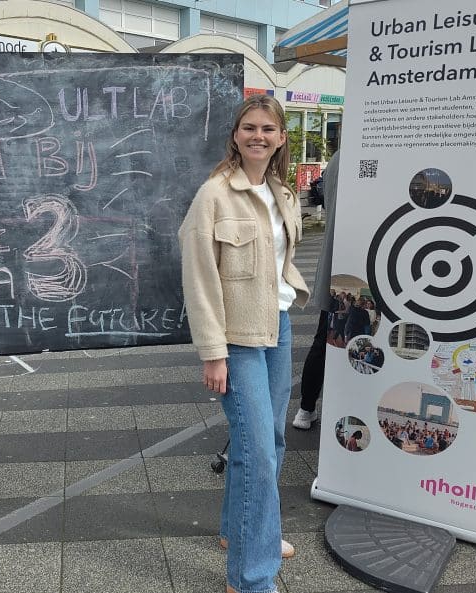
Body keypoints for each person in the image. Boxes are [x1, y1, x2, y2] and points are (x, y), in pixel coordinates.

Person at [178, 94, 309, 593]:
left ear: (280, 139)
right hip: (235, 339)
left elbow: (279, 258)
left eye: (268, 130)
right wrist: (213, 351)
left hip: (276, 326)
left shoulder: (283, 193)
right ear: (236, 135)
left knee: (268, 442)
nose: (259, 136)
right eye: (250, 127)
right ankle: (251, 578)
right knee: (257, 451)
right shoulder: (213, 195)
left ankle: (243, 533)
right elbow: (199, 277)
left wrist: (289, 285)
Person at [294, 151, 339, 430]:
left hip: (334, 265)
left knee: (323, 340)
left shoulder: (337, 159)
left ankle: (305, 408)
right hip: (361, 269)